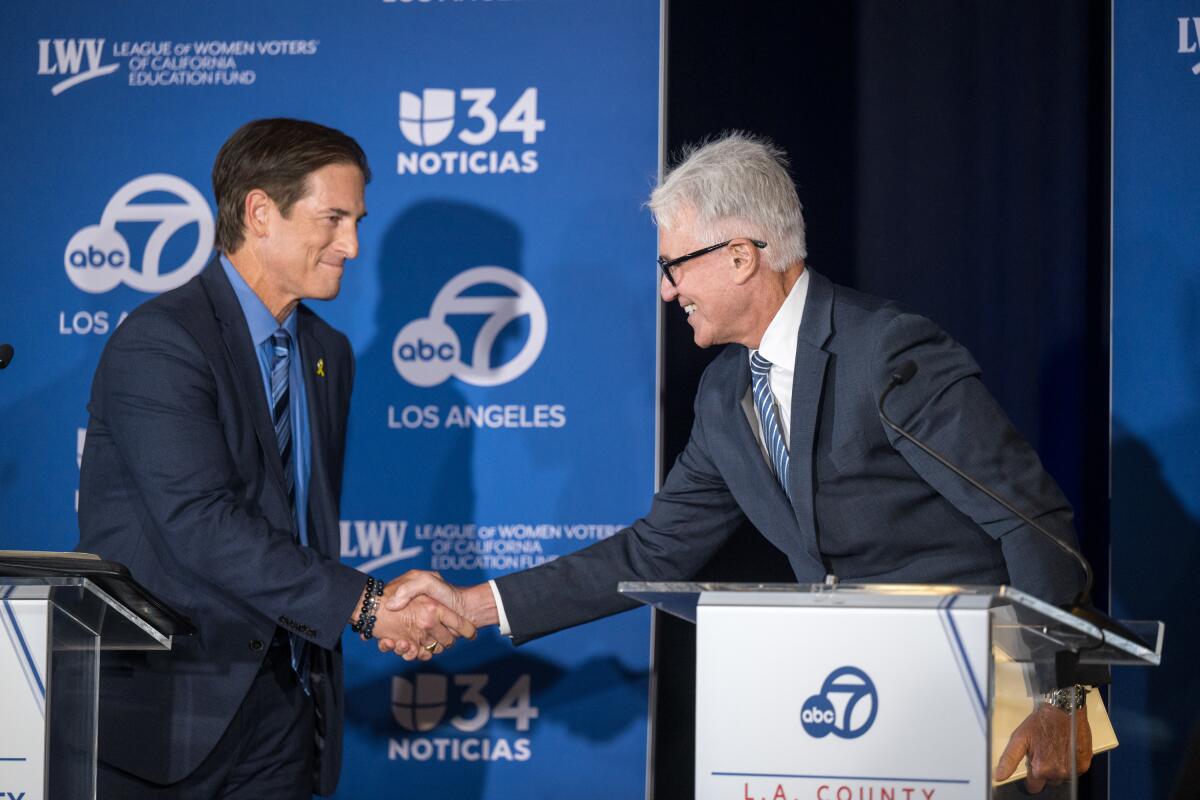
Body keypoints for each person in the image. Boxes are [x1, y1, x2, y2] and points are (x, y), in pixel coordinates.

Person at [382, 132, 1094, 794]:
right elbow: (654, 551)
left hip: (977, 707)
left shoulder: (886, 353)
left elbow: (1031, 520)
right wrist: (473, 608)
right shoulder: (727, 392)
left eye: (673, 265)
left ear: (740, 256)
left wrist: (1062, 697)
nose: (666, 291)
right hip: (853, 711)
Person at [76, 117, 473, 799]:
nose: (352, 244)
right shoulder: (161, 343)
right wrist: (370, 606)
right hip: (168, 714)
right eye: (335, 218)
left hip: (289, 706)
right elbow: (202, 523)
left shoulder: (327, 352)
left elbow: (301, 523)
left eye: (358, 221)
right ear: (261, 212)